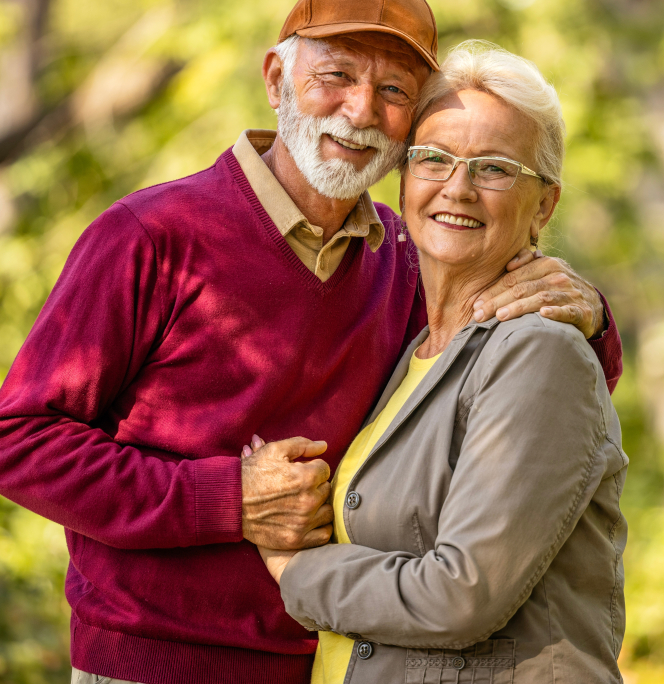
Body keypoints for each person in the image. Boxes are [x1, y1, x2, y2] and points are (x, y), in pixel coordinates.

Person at [0, 0, 623, 684]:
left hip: (330, 659)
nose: (360, 110)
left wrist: (587, 318)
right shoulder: (150, 236)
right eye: (335, 76)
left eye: (394, 92)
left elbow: (528, 404)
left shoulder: (414, 259)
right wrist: (227, 499)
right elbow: (16, 445)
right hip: (154, 664)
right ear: (277, 77)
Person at [257, 41, 628, 684]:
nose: (457, 188)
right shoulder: (414, 349)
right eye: (434, 159)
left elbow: (462, 595)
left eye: (494, 169)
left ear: (544, 205)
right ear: (403, 176)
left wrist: (295, 568)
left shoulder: (538, 352)